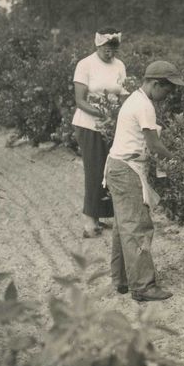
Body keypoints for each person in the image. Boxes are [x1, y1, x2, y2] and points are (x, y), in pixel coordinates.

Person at [104, 60, 184, 302]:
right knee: (137, 227)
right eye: (167, 89)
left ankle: (122, 280)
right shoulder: (144, 106)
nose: (168, 95)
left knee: (123, 227)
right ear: (155, 83)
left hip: (118, 166)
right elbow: (154, 145)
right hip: (126, 169)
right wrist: (179, 161)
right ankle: (142, 286)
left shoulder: (137, 100)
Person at [72, 27, 128, 238]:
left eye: (113, 46)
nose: (109, 50)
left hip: (112, 124)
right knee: (95, 170)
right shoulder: (85, 65)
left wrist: (120, 116)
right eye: (106, 46)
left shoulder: (120, 66)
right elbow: (80, 100)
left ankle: (102, 214)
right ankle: (90, 220)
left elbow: (122, 95)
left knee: (110, 170)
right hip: (89, 125)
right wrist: (102, 113)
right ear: (98, 44)